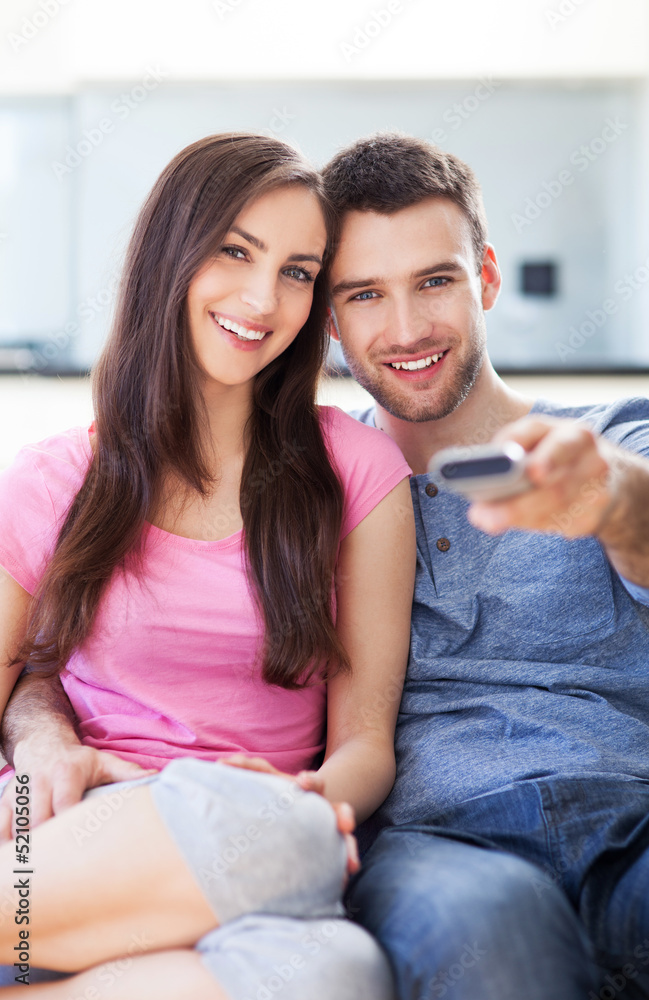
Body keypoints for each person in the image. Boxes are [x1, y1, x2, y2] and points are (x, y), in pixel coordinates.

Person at [0, 132, 415, 997]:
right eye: (235, 251)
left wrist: (311, 800)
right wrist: (46, 739)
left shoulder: (358, 472)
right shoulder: (50, 480)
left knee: (338, 973)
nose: (263, 299)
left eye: (298, 272)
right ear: (171, 254)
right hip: (57, 830)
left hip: (255, 846)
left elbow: (365, 744)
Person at [318, 133, 649, 1000]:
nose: (405, 330)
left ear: (487, 277)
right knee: (503, 952)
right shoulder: (312, 491)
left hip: (638, 821)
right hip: (438, 849)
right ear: (330, 319)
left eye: (435, 280)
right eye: (365, 294)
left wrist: (607, 500)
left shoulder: (607, 435)